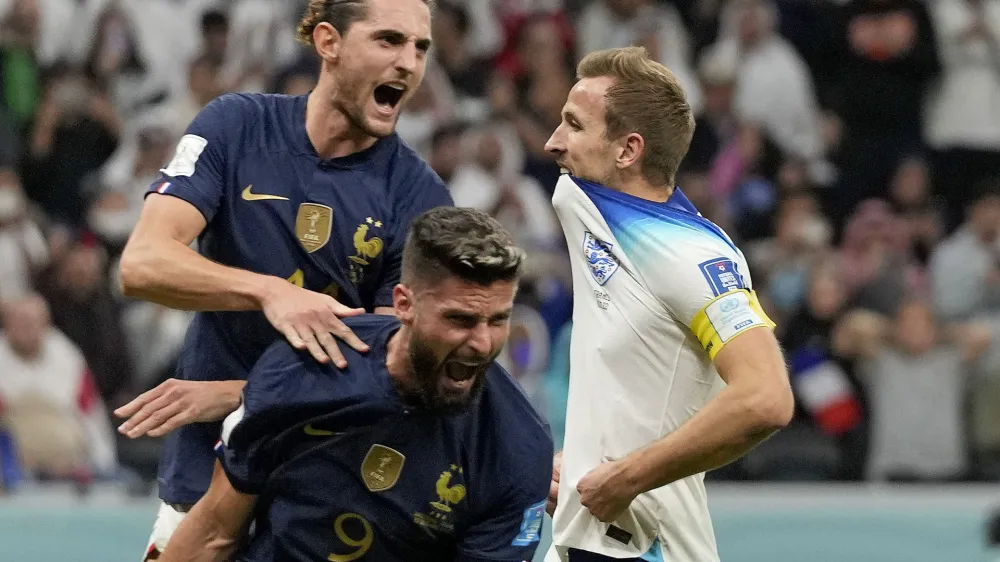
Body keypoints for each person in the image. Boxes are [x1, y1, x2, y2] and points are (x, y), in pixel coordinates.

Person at [114, 0, 452, 558]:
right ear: (328, 42)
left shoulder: (420, 201)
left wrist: (238, 396)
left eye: (421, 48)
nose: (409, 63)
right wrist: (270, 292)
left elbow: (396, 378)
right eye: (389, 40)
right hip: (204, 471)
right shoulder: (236, 126)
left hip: (324, 486)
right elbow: (142, 265)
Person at [157, 207, 553, 562]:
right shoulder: (302, 368)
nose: (482, 343)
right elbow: (215, 534)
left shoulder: (517, 448)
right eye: (460, 320)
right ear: (404, 305)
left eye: (498, 319)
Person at [542, 47, 794, 562]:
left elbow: (765, 397)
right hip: (589, 539)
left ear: (628, 150)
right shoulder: (590, 207)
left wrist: (629, 476)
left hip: (650, 549)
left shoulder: (694, 255)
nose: (553, 142)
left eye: (574, 124)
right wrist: (589, 455)